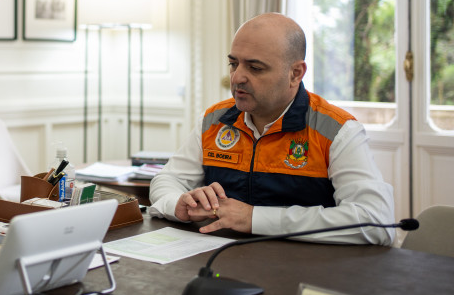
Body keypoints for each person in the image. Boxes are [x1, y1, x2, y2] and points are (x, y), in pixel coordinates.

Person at [149, 13, 396, 245]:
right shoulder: (214, 120)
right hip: (222, 261)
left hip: (307, 268)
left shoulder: (336, 129)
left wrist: (253, 219)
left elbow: (376, 221)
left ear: (295, 73)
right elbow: (167, 179)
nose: (236, 78)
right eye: (233, 64)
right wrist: (177, 203)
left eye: (255, 68)